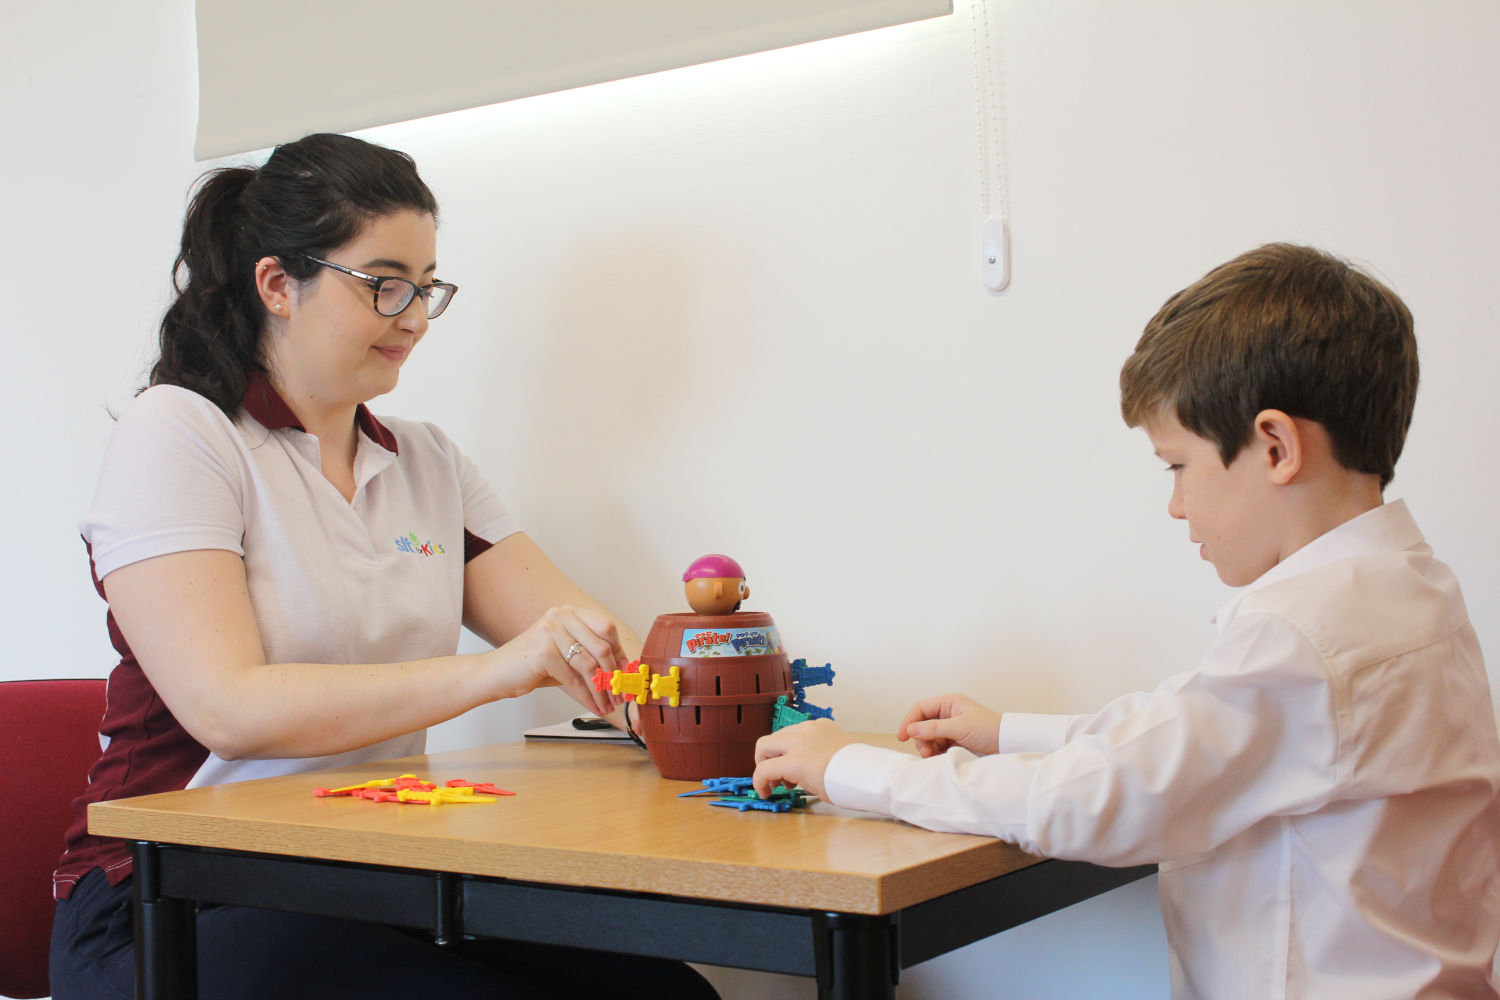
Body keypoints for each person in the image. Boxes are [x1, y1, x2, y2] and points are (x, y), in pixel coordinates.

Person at [52, 133, 717, 1000]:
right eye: (384, 283)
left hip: (361, 880)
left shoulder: (427, 463)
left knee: (668, 995)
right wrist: (499, 673)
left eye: (427, 286)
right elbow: (230, 709)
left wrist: (705, 696)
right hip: (172, 898)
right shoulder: (183, 433)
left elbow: (594, 644)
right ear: (277, 285)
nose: (412, 315)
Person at [753, 243, 1500, 998]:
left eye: (1178, 466)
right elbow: (1186, 734)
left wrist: (848, 768)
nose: (1176, 504)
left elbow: (1089, 801)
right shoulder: (1408, 589)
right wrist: (1011, 730)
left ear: (1274, 446)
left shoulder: (1308, 635)